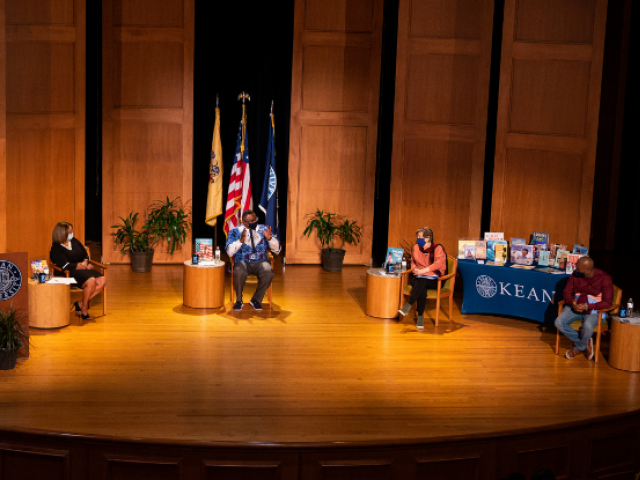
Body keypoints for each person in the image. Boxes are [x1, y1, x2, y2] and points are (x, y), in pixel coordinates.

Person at [555, 256, 613, 360]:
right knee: (559, 322)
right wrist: (572, 302)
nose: (575, 269)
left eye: (578, 268)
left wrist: (588, 306)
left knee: (588, 326)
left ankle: (579, 347)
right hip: (575, 306)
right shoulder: (575, 275)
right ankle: (584, 344)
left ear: (587, 270)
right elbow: (567, 292)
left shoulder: (605, 278)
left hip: (593, 309)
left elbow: (608, 303)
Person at [226, 210, 281, 311]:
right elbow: (229, 252)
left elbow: (277, 249)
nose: (253, 222)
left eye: (254, 220)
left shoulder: (263, 229)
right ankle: (239, 300)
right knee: (238, 271)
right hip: (242, 261)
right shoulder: (234, 231)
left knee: (268, 271)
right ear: (243, 221)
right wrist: (240, 241)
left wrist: (269, 239)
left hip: (260, 261)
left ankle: (256, 300)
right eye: (250, 221)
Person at [50, 222, 106, 320]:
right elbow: (65, 265)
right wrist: (80, 266)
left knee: (102, 280)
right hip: (67, 273)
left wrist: (85, 262)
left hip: (82, 270)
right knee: (91, 281)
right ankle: (84, 309)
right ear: (62, 233)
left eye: (72, 231)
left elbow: (85, 255)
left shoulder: (74, 241)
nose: (72, 233)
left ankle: (80, 304)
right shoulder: (56, 248)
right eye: (70, 231)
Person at [397, 227, 447, 329]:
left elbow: (438, 264)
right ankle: (420, 317)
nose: (417, 238)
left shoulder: (438, 249)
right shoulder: (416, 248)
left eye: (419, 237)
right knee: (422, 287)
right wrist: (414, 269)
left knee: (422, 281)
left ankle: (409, 304)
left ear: (428, 238)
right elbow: (413, 262)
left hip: (435, 278)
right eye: (417, 237)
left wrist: (423, 271)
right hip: (419, 276)